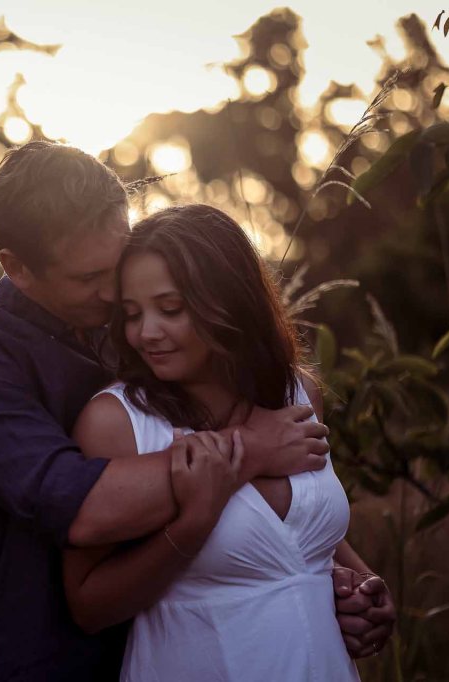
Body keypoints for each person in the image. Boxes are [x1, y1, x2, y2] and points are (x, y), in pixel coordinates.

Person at [0, 141, 393, 681]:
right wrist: (250, 448)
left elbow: (266, 522)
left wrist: (341, 581)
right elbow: (80, 505)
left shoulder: (129, 337)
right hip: (37, 663)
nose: (114, 295)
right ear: (16, 268)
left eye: (118, 266)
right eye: (90, 278)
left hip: (166, 646)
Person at [62, 203, 392, 680]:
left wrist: (363, 588)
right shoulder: (117, 422)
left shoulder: (298, 392)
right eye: (131, 314)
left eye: (170, 309)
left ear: (229, 299)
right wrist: (193, 522)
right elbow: (89, 607)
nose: (145, 333)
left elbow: (300, 540)